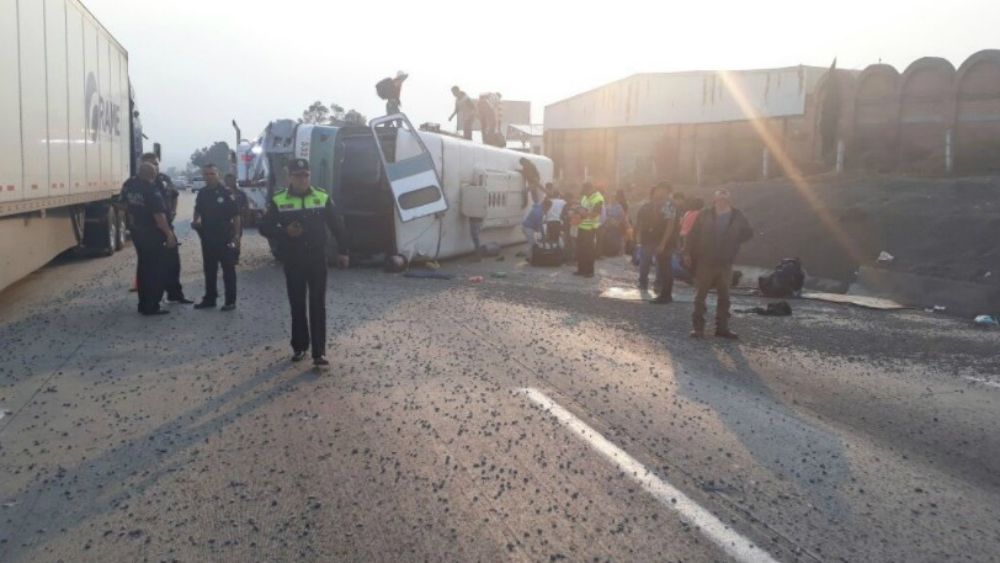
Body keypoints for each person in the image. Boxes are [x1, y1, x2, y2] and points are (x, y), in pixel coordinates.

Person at [259, 158, 350, 368]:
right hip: (293, 260)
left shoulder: (321, 196)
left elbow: (337, 225)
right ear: (290, 177)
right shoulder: (279, 200)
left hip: (317, 259)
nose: (302, 179)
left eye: (305, 175)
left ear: (309, 176)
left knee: (318, 304)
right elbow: (264, 227)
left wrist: (344, 251)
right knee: (297, 304)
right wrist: (285, 232)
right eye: (298, 175)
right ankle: (300, 347)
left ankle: (319, 353)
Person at [684, 188, 754, 339]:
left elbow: (748, 232)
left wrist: (734, 243)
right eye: (719, 199)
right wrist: (687, 252)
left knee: (725, 297)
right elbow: (693, 234)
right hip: (705, 260)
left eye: (725, 199)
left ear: (729, 201)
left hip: (725, 263)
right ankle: (698, 328)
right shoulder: (704, 214)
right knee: (700, 295)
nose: (722, 202)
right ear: (714, 200)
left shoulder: (737, 215)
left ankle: (722, 328)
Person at [120, 162, 177, 316]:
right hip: (152, 233)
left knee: (144, 268)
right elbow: (159, 216)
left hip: (137, 232)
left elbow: (123, 205)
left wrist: (134, 216)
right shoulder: (151, 189)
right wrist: (169, 234)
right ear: (152, 174)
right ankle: (152, 305)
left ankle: (143, 304)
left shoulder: (130, 185)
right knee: (155, 270)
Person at [139, 153, 191, 304]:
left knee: (173, 262)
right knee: (150, 266)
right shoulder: (135, 183)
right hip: (148, 230)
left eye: (156, 163)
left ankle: (175, 294)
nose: (154, 166)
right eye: (150, 163)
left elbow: (174, 195)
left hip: (167, 226)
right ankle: (150, 301)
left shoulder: (164, 180)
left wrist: (173, 211)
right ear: (142, 164)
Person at [192, 165, 240, 311]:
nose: (209, 176)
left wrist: (236, 236)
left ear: (218, 175)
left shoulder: (226, 192)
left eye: (212, 174)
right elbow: (198, 209)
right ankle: (210, 298)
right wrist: (195, 221)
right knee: (209, 269)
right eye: (206, 174)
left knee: (228, 270)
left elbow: (236, 215)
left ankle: (230, 301)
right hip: (207, 236)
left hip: (225, 236)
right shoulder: (202, 193)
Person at [635, 183, 669, 292]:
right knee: (644, 262)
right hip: (647, 238)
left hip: (660, 238)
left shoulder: (666, 207)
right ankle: (642, 282)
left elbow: (670, 224)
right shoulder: (645, 207)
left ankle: (658, 284)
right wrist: (638, 238)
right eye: (656, 192)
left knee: (660, 263)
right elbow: (639, 223)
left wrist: (664, 241)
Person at [574, 182, 604, 277]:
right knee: (580, 249)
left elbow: (596, 213)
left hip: (591, 228)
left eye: (586, 192)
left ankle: (589, 271)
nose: (585, 194)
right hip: (581, 226)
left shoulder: (598, 198)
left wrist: (584, 214)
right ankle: (581, 269)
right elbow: (580, 206)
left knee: (589, 251)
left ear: (590, 189)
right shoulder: (584, 196)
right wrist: (577, 210)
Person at [224, 173, 249, 263]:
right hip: (224, 221)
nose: (230, 182)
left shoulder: (241, 193)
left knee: (237, 237)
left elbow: (246, 206)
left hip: (238, 220)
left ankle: (236, 256)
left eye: (232, 180)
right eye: (228, 180)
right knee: (225, 239)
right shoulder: (221, 193)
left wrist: (246, 218)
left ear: (235, 181)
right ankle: (226, 256)